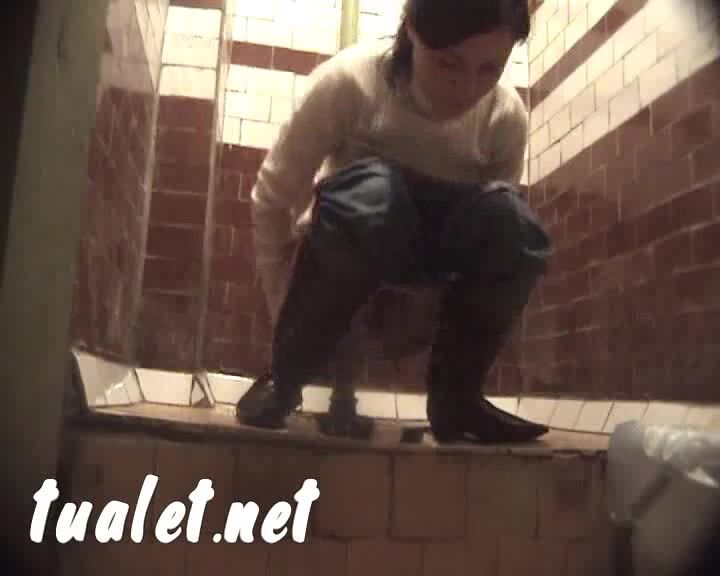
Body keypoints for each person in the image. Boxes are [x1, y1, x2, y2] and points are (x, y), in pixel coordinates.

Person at [236, 0, 552, 443]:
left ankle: (458, 400)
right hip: (349, 252)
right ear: (413, 31)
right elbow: (273, 199)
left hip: (432, 272)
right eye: (449, 63)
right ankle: (286, 380)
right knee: (372, 194)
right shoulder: (350, 82)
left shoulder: (504, 116)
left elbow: (494, 241)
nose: (466, 90)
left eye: (490, 69)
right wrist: (281, 331)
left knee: (512, 221)